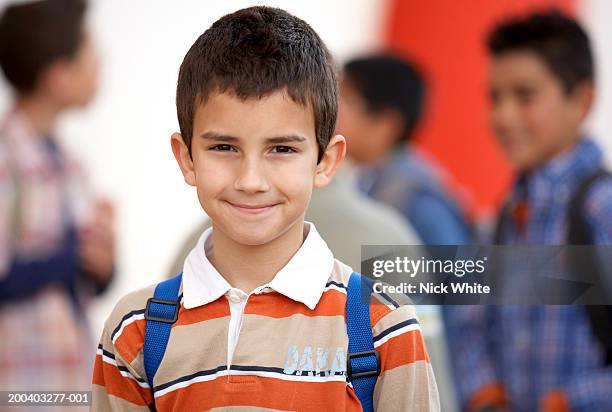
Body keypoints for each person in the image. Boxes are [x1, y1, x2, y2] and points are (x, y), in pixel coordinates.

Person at [91, 6, 439, 411]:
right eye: (224, 147)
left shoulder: (383, 326)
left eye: (281, 149)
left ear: (325, 160)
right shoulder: (135, 330)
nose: (251, 180)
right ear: (186, 158)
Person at [444, 10, 612, 412]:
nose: (503, 116)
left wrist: (570, 402)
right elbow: (470, 328)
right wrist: (486, 394)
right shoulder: (505, 214)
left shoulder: (600, 207)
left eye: (525, 95)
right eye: (495, 98)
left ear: (582, 100)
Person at [0, 0, 115, 394]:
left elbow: (81, 282)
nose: (100, 63)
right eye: (89, 52)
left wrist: (102, 264)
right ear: (58, 78)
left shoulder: (73, 164)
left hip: (68, 378)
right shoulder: (6, 160)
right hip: (18, 380)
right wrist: (70, 258)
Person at [336, 54, 472, 247]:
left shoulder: (420, 201)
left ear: (386, 124)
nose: (332, 112)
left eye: (345, 101)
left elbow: (458, 273)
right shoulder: (371, 181)